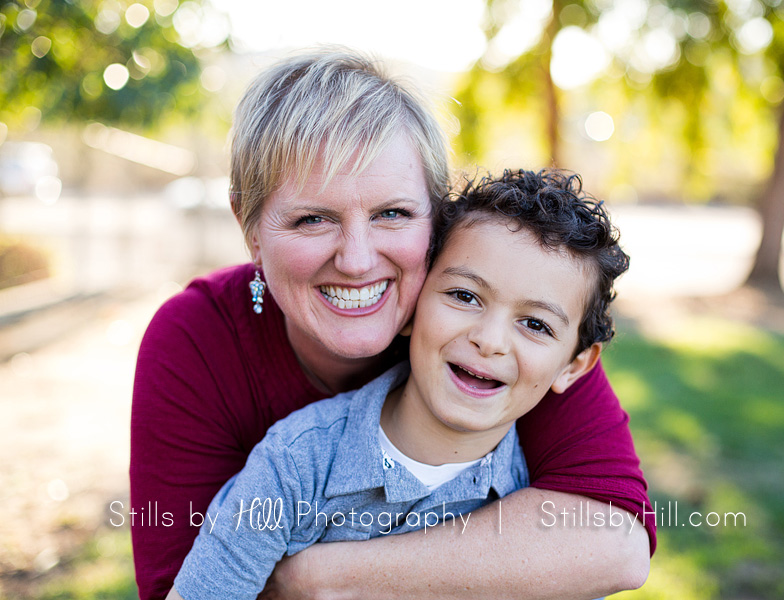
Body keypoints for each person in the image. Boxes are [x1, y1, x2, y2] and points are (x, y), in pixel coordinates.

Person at [130, 48, 654, 600]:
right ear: (250, 226)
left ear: (436, 217)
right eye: (312, 218)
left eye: (392, 213)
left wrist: (319, 580)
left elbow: (613, 541)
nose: (357, 260)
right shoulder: (205, 351)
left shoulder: (505, 330)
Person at [165, 168, 630, 600]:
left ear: (573, 366)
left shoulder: (546, 513)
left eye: (535, 324)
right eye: (464, 296)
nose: (489, 341)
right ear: (410, 306)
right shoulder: (293, 466)